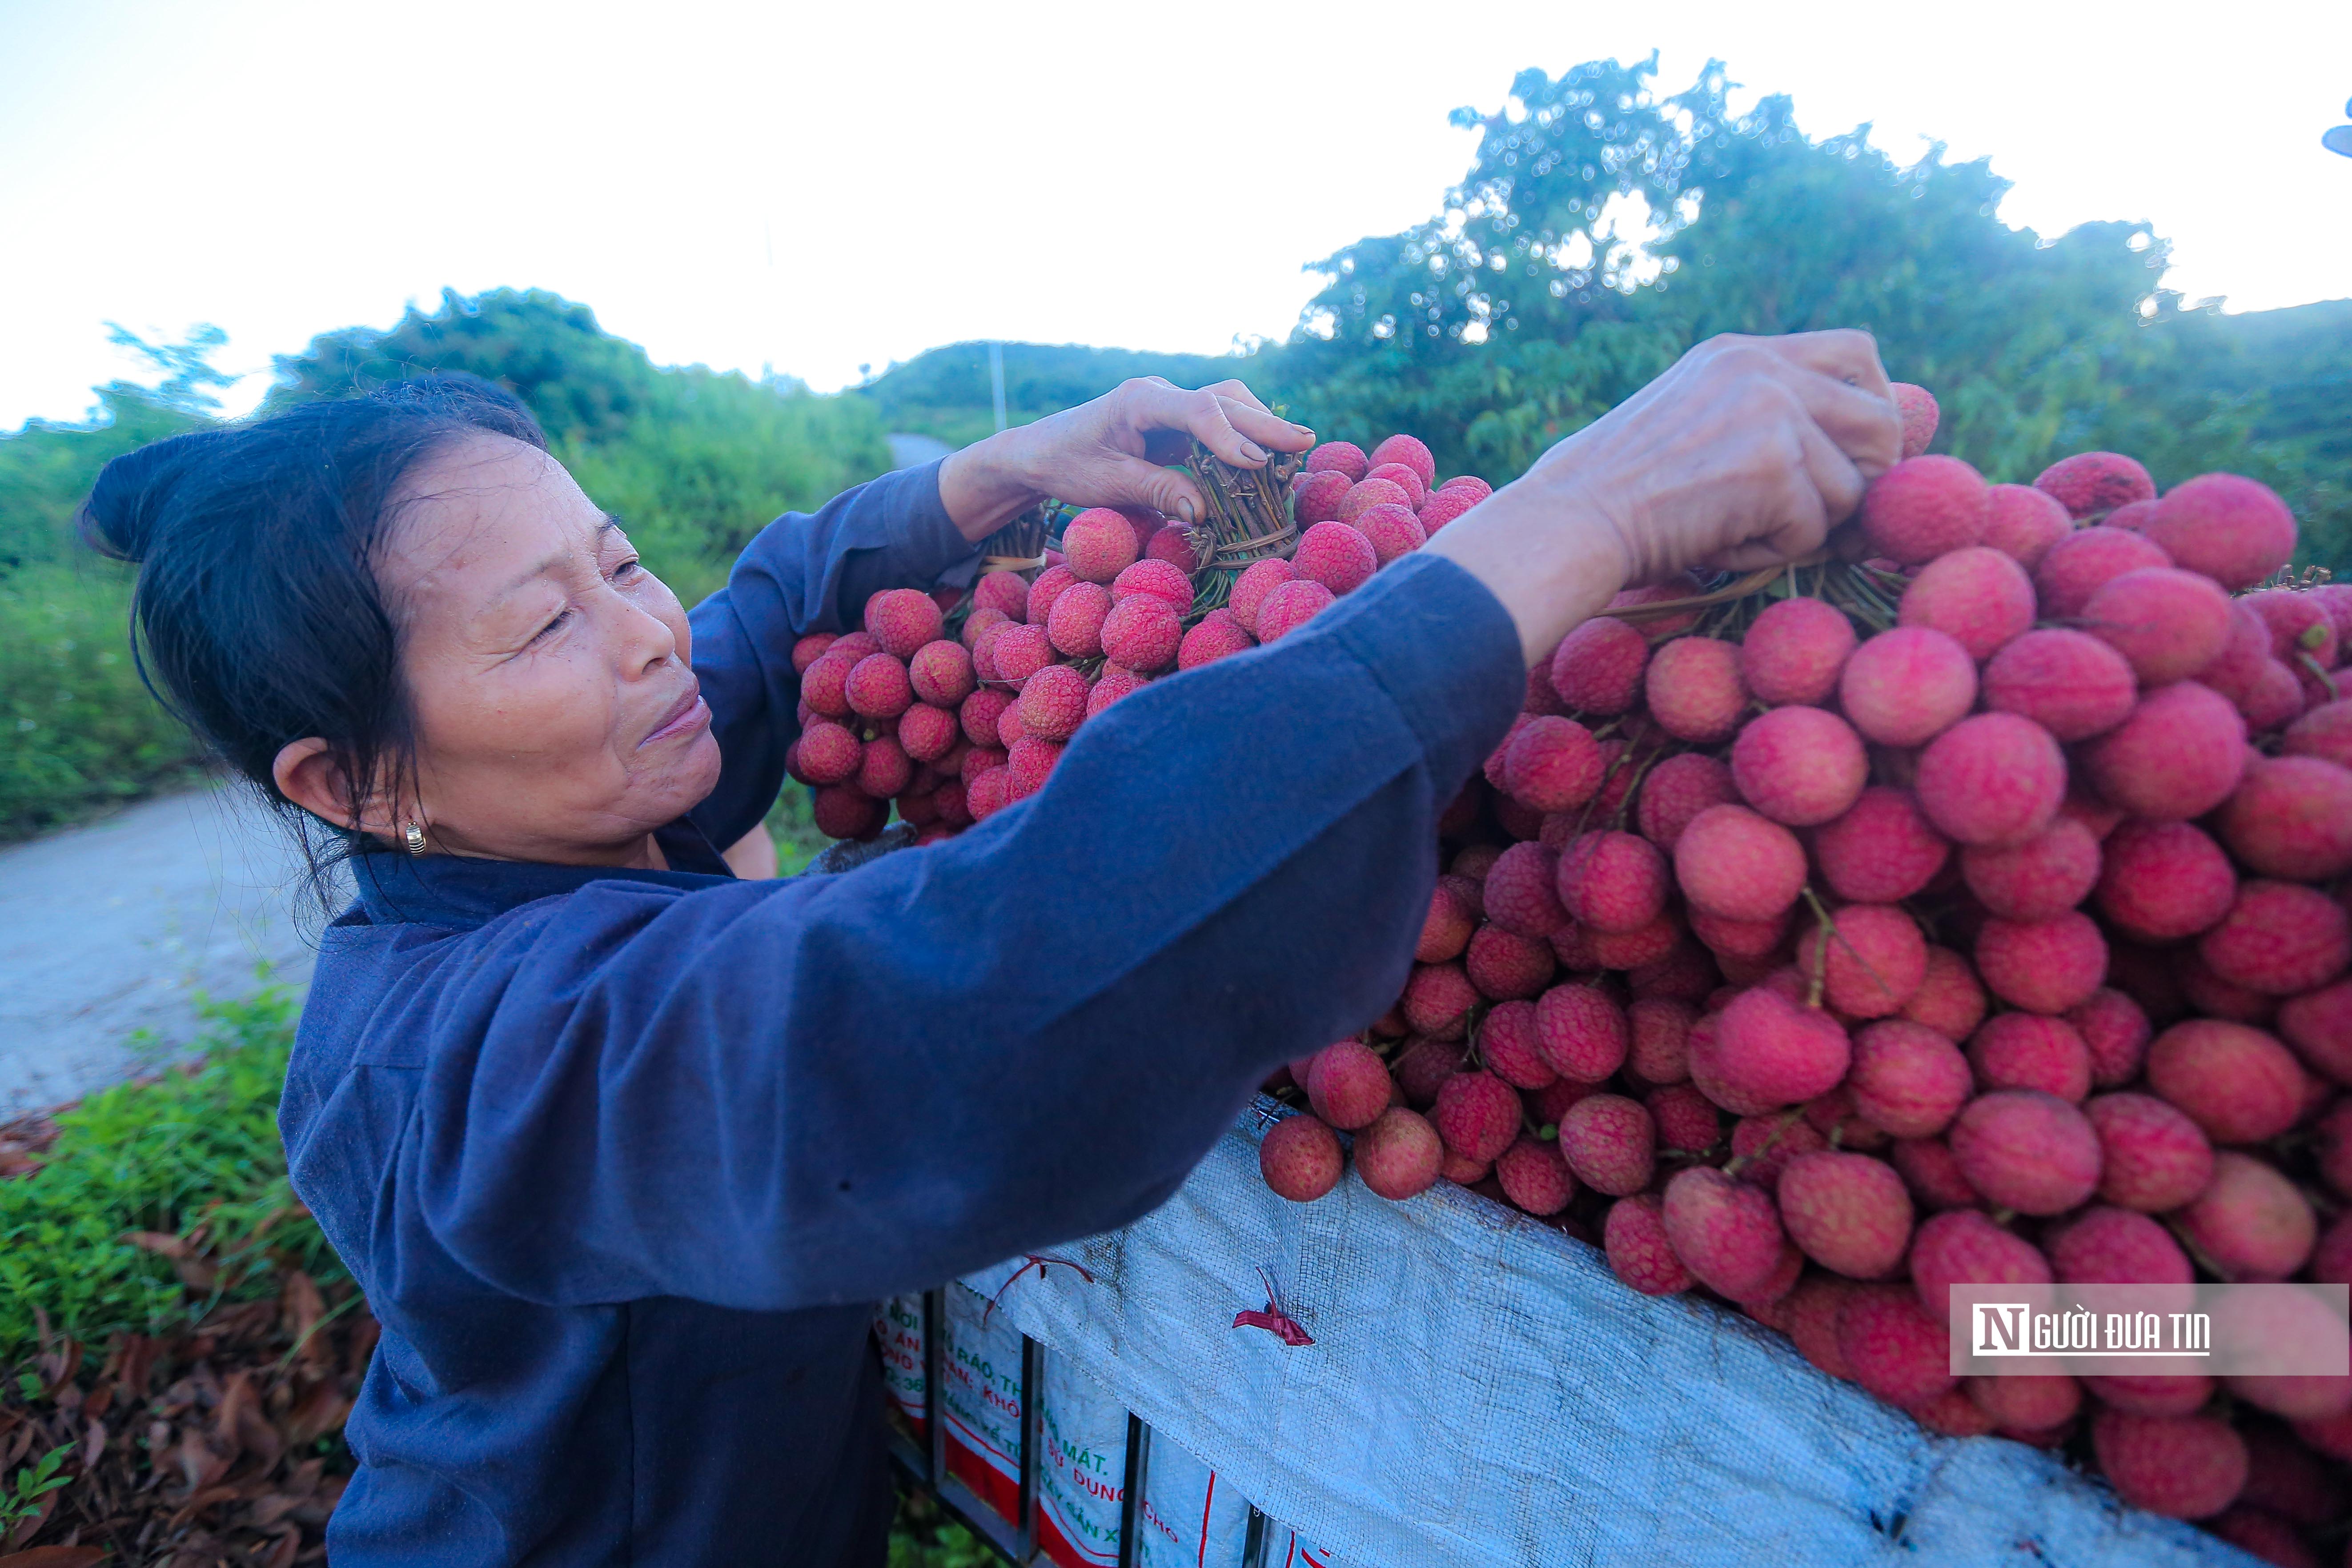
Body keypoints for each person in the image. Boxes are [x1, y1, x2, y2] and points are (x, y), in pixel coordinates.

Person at [83, 333, 1898, 1566]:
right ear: (356, 780)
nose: (645, 634)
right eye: (542, 626)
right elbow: (965, 993)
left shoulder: (566, 784)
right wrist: (1580, 520)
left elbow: (772, 613)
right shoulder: (480, 1049)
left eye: (621, 560)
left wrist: (1006, 466)